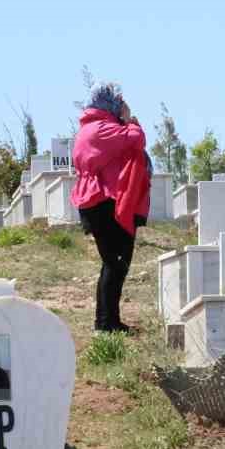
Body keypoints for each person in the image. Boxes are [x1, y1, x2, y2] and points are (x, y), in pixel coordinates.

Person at [71, 82, 151, 333]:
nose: (121, 105)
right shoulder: (98, 128)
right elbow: (136, 138)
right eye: (118, 101)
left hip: (105, 202)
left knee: (115, 264)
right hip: (103, 203)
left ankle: (109, 322)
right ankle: (105, 324)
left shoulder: (96, 126)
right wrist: (130, 120)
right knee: (114, 263)